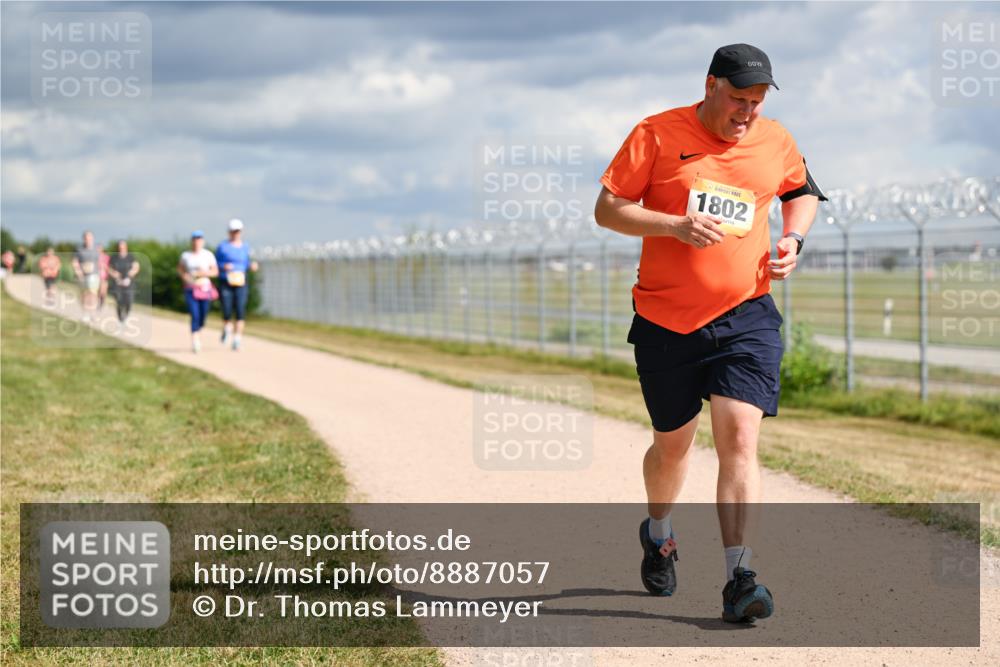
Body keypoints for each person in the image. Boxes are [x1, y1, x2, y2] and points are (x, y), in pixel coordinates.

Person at [593, 43, 825, 623]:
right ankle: (660, 531)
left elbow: (801, 193)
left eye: (757, 101)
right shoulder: (656, 133)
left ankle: (740, 576)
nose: (747, 112)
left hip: (746, 313)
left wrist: (794, 239)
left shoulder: (775, 140)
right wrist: (674, 224)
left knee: (740, 438)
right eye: (739, 98)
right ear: (710, 85)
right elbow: (608, 207)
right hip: (665, 322)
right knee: (673, 448)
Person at [214, 218, 258, 351]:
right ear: (229, 232)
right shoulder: (222, 247)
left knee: (240, 310)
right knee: (227, 309)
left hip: (241, 282)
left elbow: (246, 263)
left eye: (238, 231)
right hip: (226, 282)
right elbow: (215, 264)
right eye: (233, 231)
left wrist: (252, 266)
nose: (235, 234)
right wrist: (223, 266)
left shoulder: (245, 247)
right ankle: (226, 327)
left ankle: (237, 339)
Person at [177, 230, 219, 353]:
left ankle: (198, 330)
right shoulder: (186, 255)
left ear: (202, 241)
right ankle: (195, 340)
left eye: (199, 239)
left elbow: (215, 272)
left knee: (202, 315)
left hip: (204, 289)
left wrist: (202, 273)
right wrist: (185, 277)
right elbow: (180, 269)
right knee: (194, 314)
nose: (197, 242)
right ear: (192, 241)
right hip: (190, 289)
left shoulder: (208, 255)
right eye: (195, 239)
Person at [72, 231, 102, 321]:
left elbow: (100, 261)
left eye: (90, 237)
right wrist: (78, 271)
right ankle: (85, 313)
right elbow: (75, 261)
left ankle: (93, 313)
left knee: (92, 294)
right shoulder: (79, 249)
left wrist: (101, 273)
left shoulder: (97, 249)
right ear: (84, 239)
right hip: (82, 276)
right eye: (86, 238)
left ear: (92, 238)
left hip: (94, 275)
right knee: (84, 295)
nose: (88, 239)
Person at [108, 240, 140, 322]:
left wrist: (130, 274)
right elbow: (109, 268)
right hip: (117, 282)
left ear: (126, 247)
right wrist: (114, 274)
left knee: (129, 301)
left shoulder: (131, 257)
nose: (121, 248)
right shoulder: (114, 257)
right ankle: (120, 316)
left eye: (123, 247)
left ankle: (126, 314)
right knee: (119, 300)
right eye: (120, 247)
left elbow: (136, 267)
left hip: (128, 282)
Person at [97, 244, 111, 311]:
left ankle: (101, 305)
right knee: (97, 291)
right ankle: (97, 304)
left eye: (99, 248)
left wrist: (105, 267)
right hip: (96, 276)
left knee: (103, 292)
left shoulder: (107, 257)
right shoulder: (95, 257)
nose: (98, 250)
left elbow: (109, 267)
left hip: (104, 276)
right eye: (97, 248)